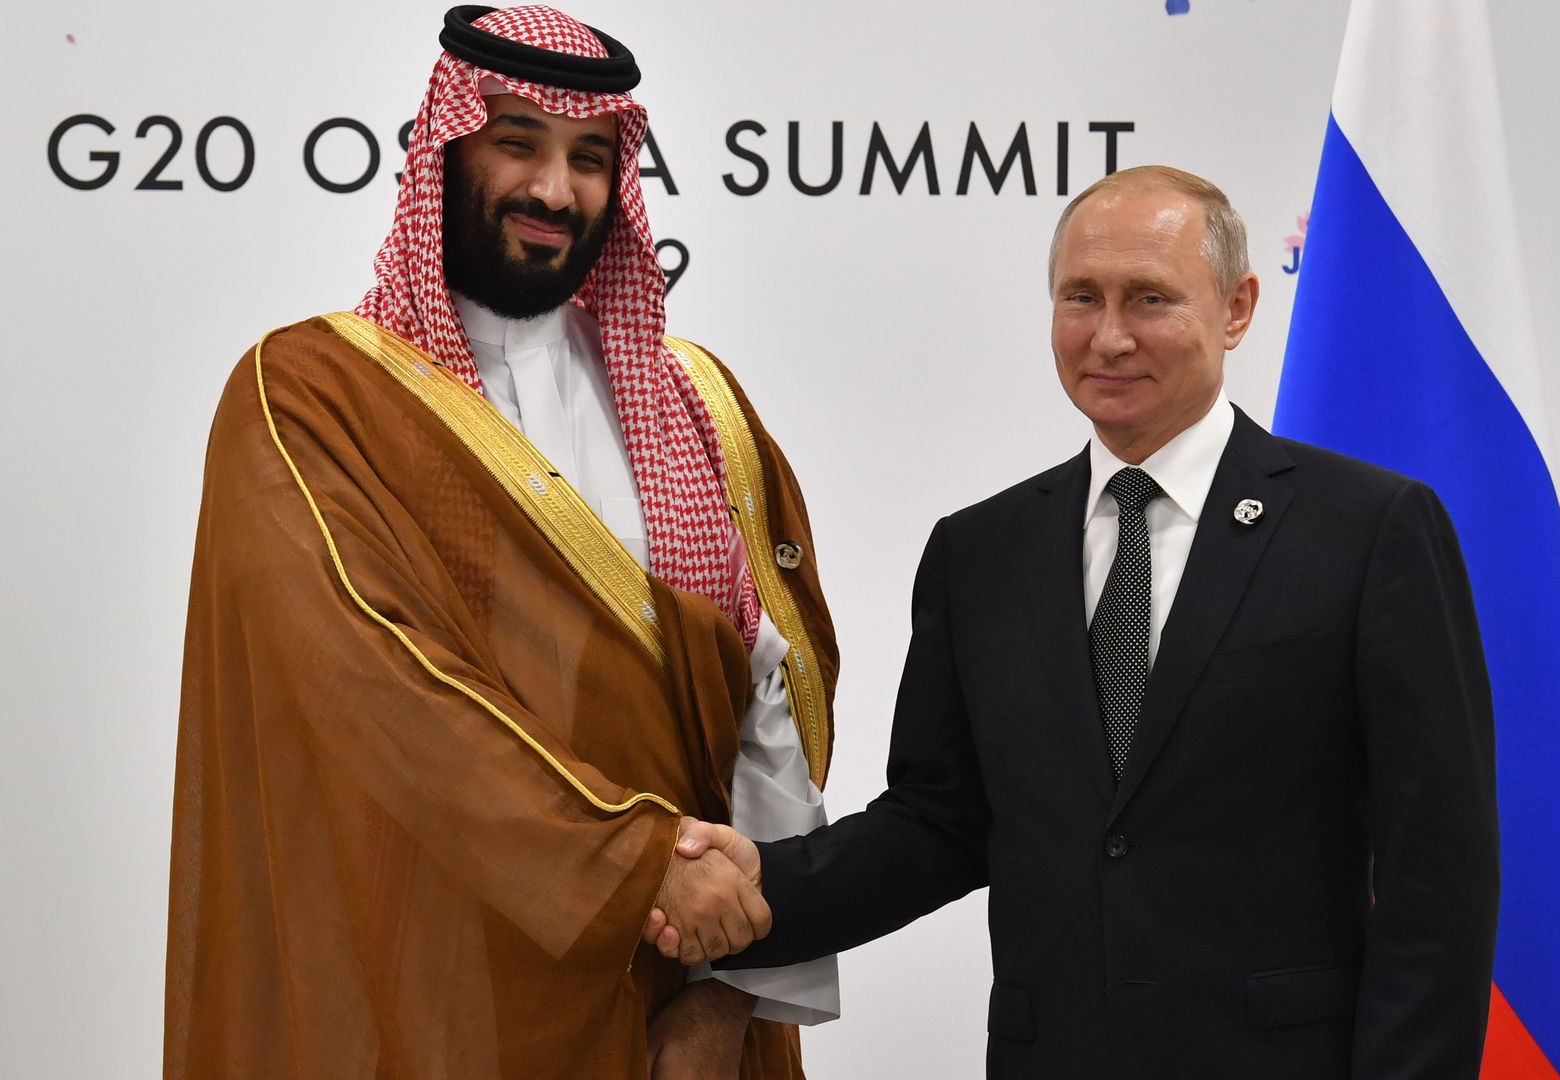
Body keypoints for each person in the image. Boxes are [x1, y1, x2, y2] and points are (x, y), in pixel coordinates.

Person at [655, 165, 1500, 1079]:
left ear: (1238, 308)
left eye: (1150, 299)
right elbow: (938, 823)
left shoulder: (1369, 530)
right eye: (1081, 298)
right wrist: (761, 886)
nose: (1109, 337)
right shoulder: (979, 551)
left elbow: (1438, 872)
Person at [164, 7, 840, 1078]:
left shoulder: (700, 408)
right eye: (517, 142)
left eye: (589, 157)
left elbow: (770, 709)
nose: (553, 191)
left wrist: (731, 1001)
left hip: (682, 1010)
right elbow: (383, 691)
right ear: (445, 148)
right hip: (427, 1002)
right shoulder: (313, 396)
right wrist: (635, 864)